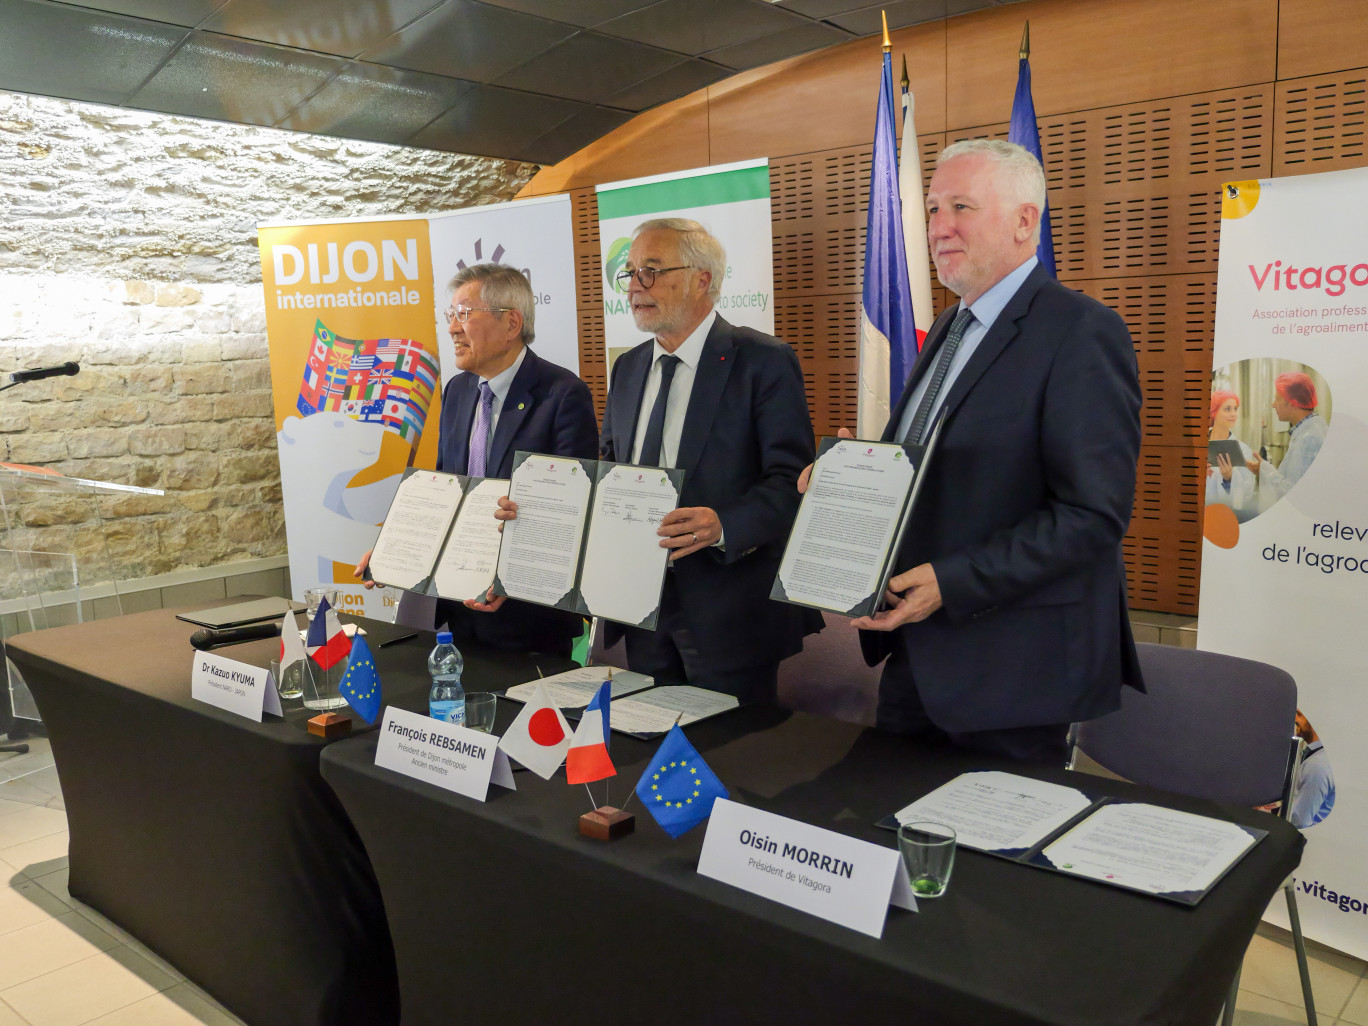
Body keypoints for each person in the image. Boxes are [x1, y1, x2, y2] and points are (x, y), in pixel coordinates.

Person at [842, 139, 1143, 764]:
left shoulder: (1081, 331)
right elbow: (938, 467)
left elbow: (1093, 514)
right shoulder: (949, 330)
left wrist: (951, 582)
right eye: (931, 209)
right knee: (891, 834)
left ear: (1024, 222)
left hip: (1014, 672)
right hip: (916, 652)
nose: (938, 227)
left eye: (961, 207)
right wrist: (853, 474)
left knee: (990, 860)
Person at [502, 218, 819, 703]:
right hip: (640, 608)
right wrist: (537, 509)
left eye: (650, 270)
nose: (634, 287)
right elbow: (608, 475)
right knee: (649, 758)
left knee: (729, 766)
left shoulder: (763, 360)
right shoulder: (628, 367)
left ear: (701, 279)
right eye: (629, 273)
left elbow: (790, 484)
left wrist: (724, 524)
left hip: (729, 614)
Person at [355, 263, 598, 655]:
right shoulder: (457, 390)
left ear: (511, 323)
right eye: (451, 315)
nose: (453, 327)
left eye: (465, 315)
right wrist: (393, 551)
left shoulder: (563, 395)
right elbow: (443, 491)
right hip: (456, 611)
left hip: (526, 619)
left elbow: (569, 515)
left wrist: (511, 578)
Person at [1249, 372, 1326, 500]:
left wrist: (1265, 472)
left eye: (1277, 399)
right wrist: (1264, 470)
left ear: (1291, 403)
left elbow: (1293, 493)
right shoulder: (1311, 429)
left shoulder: (1309, 438)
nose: (1273, 405)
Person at [1205, 389, 1258, 521]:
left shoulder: (1242, 450)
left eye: (1235, 409)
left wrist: (1229, 479)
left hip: (1226, 518)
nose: (1233, 414)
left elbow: (1247, 492)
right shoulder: (1199, 445)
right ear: (1214, 411)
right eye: (1227, 409)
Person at [1288, 710, 1334, 829]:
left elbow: (1298, 820)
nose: (1295, 719)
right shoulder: (1318, 756)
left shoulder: (1317, 765)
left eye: (1299, 715)